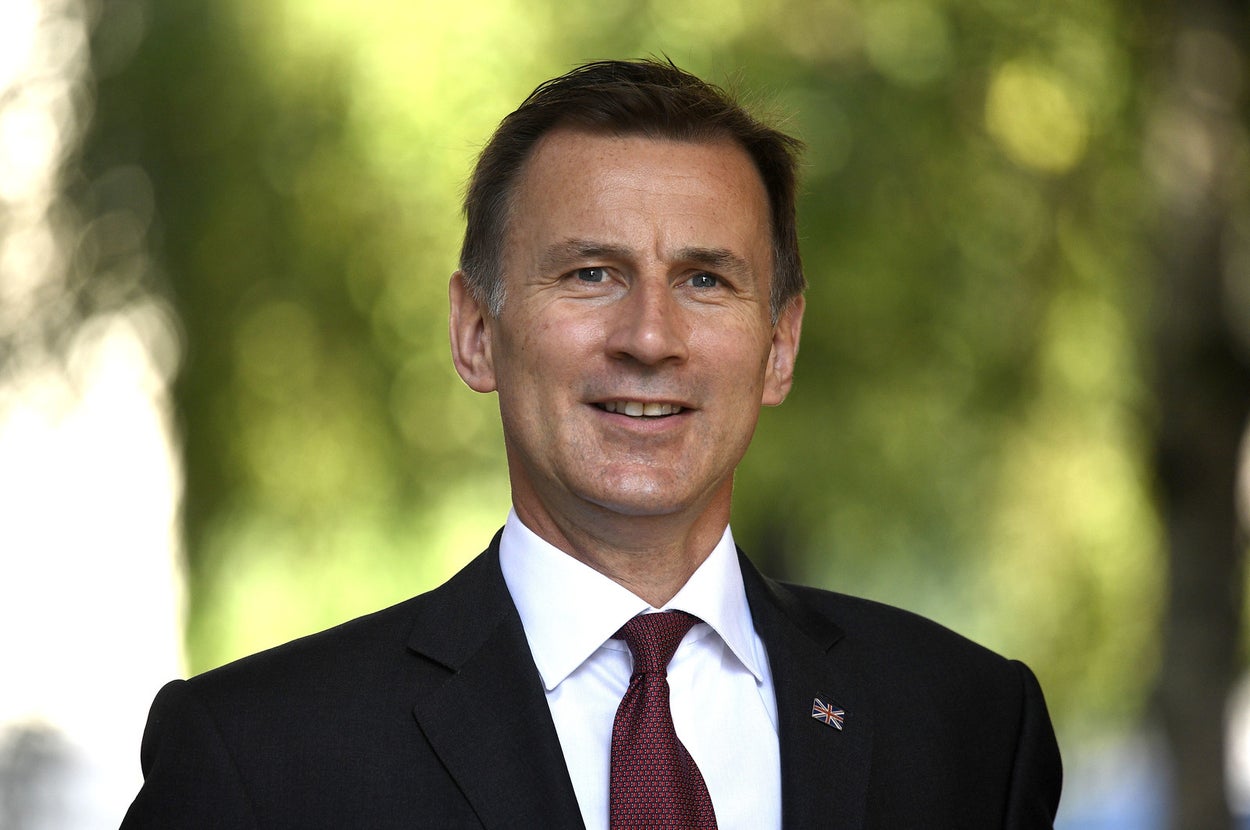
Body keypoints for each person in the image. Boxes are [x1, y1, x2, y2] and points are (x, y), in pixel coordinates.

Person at [122, 59, 1062, 829]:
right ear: (475, 333)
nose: (649, 337)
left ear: (779, 348)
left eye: (704, 280)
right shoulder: (261, 759)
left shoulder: (970, 729)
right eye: (590, 273)